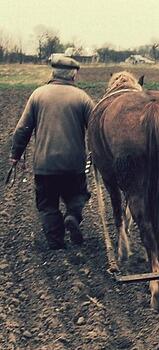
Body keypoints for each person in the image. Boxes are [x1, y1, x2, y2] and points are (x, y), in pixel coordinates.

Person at [9, 55, 95, 250]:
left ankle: (56, 243)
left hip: (45, 165)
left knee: (47, 204)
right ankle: (72, 216)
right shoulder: (82, 98)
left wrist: (16, 155)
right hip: (74, 164)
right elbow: (96, 129)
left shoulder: (38, 95)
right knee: (77, 196)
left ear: (53, 72)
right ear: (74, 75)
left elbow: (23, 129)